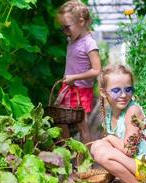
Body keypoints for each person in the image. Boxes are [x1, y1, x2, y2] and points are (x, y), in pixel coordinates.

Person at [90, 65, 146, 183]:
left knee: (102, 152)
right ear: (103, 92)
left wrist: (110, 138)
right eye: (116, 90)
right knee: (97, 146)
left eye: (128, 89)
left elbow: (128, 150)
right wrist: (107, 140)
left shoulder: (132, 111)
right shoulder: (110, 114)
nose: (123, 95)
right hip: (136, 165)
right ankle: (125, 181)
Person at [57, 0, 101, 144]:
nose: (65, 32)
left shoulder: (89, 43)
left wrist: (74, 77)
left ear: (81, 22)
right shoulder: (72, 40)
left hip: (81, 90)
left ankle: (84, 161)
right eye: (62, 28)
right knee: (59, 119)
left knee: (82, 126)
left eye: (67, 27)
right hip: (67, 88)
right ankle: (68, 151)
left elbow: (97, 70)